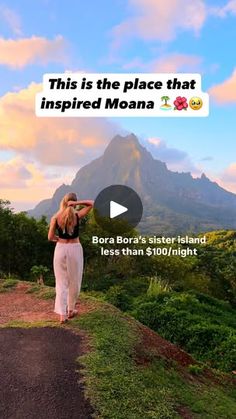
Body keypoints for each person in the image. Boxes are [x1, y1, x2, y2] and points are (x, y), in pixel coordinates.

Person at [48, 192, 94, 323]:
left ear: (63, 201)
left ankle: (62, 314)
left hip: (60, 250)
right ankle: (70, 310)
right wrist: (76, 204)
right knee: (74, 280)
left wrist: (60, 240)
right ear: (73, 203)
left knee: (61, 282)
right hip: (75, 249)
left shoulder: (55, 218)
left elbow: (50, 237)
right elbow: (92, 203)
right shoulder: (76, 216)